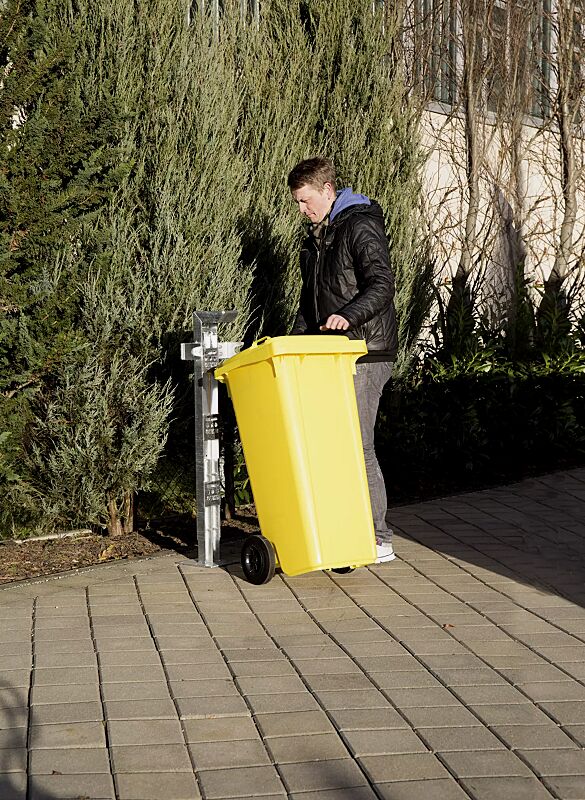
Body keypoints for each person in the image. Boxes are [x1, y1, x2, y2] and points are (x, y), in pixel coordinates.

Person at [287, 156, 397, 563]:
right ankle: (346, 529)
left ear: (327, 190)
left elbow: (382, 284)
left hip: (366, 351)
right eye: (298, 203)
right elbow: (311, 302)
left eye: (305, 200)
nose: (302, 210)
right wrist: (293, 343)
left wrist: (348, 315)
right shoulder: (318, 235)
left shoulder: (360, 224)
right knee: (334, 444)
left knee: (357, 444)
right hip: (332, 351)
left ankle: (379, 537)